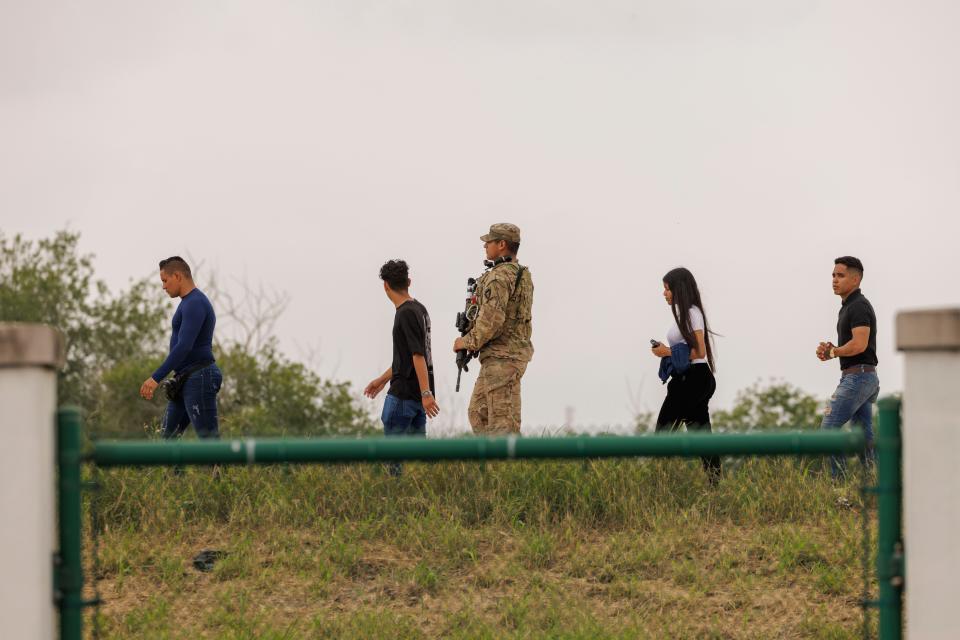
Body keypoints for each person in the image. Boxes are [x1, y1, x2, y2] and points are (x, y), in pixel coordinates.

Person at [453, 223, 534, 435]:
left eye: (489, 242)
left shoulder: (498, 277)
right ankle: (492, 466)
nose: (485, 246)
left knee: (502, 426)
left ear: (502, 244)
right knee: (478, 412)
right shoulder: (521, 274)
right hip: (503, 356)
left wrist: (467, 341)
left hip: (503, 359)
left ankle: (505, 468)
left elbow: (492, 321)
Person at [364, 260, 438, 474]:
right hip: (416, 398)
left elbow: (418, 355)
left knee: (392, 460)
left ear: (385, 285)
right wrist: (382, 379)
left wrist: (426, 393)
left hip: (403, 396)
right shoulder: (420, 309)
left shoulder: (404, 313)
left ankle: (394, 497)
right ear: (409, 282)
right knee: (419, 461)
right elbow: (406, 358)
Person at [139, 256, 222, 439]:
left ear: (177, 276)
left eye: (165, 280)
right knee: (168, 440)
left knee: (210, 443)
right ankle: (174, 470)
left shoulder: (195, 303)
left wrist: (155, 378)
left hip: (200, 376)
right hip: (184, 378)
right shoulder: (187, 303)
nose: (163, 286)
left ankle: (219, 469)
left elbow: (184, 346)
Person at [650, 267, 721, 483]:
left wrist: (666, 352)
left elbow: (700, 351)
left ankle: (657, 485)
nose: (664, 294)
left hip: (692, 379)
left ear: (677, 289)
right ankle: (714, 485)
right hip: (692, 379)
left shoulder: (692, 313)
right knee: (701, 435)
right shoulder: (685, 313)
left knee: (663, 433)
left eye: (667, 289)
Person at [816, 256, 879, 478]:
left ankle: (839, 486)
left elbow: (859, 344)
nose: (834, 280)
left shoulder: (858, 306)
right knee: (863, 435)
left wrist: (834, 351)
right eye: (833, 275)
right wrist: (834, 350)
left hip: (859, 377)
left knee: (829, 430)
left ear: (855, 279)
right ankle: (875, 483)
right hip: (861, 376)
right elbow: (853, 345)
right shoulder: (848, 307)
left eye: (840, 275)